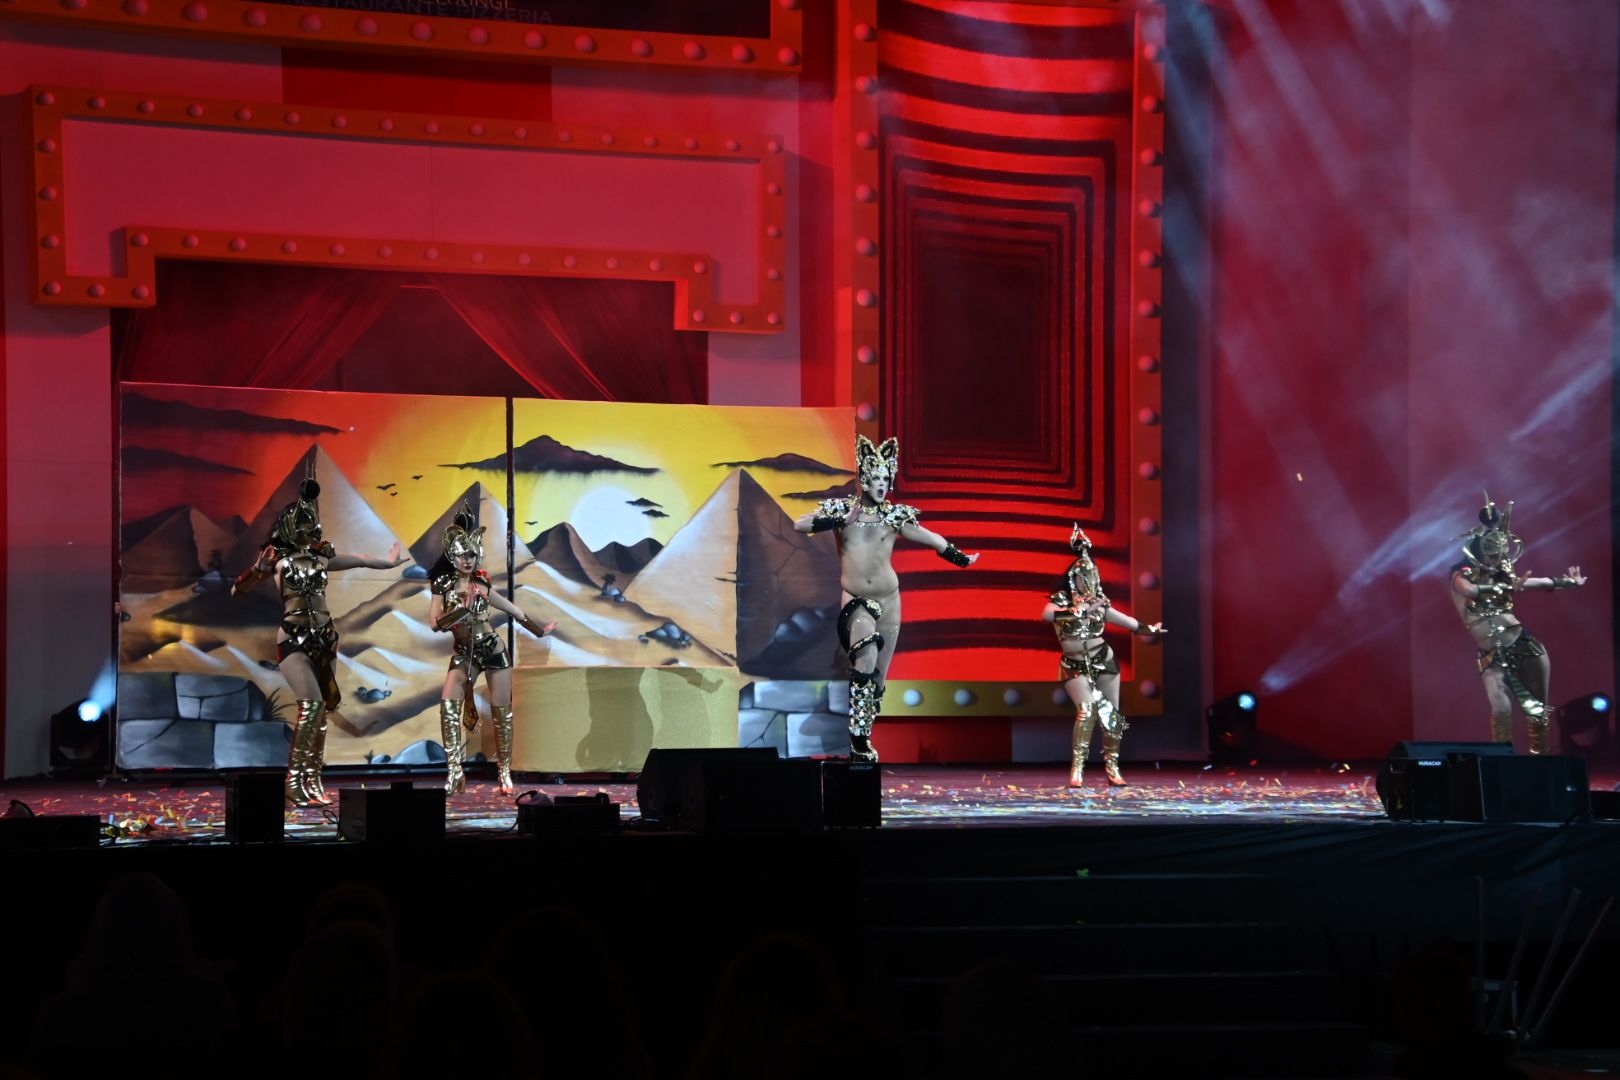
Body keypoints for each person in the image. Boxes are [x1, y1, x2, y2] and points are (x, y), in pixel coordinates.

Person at [794, 435, 979, 762]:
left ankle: (864, 736)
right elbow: (800, 524)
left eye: (885, 478)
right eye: (875, 478)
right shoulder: (844, 511)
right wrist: (836, 520)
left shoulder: (894, 517)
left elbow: (931, 538)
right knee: (865, 657)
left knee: (877, 680)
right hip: (857, 600)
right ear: (864, 479)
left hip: (890, 602)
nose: (881, 484)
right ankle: (857, 739)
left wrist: (960, 557)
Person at [233, 462, 407, 806]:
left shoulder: (322, 558)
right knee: (311, 706)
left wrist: (388, 563)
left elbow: (359, 559)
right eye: (302, 522)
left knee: (322, 711)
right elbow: (237, 591)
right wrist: (256, 569)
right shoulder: (277, 560)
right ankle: (294, 781)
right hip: (293, 638)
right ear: (288, 526)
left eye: (311, 521)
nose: (309, 527)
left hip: (325, 637)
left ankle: (313, 781)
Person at [429, 507, 557, 794]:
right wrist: (462, 609)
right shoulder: (442, 585)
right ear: (452, 556)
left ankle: (504, 771)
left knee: (502, 713)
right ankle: (454, 772)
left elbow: (513, 610)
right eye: (462, 555)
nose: (467, 560)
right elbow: (435, 624)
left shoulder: (482, 583)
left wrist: (539, 630)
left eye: (472, 555)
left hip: (492, 649)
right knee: (448, 707)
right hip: (464, 652)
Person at [1449, 493, 1584, 753]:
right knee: (1500, 707)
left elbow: (1538, 582)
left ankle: (1540, 764)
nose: (1496, 560)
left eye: (1500, 555)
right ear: (1479, 551)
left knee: (1536, 710)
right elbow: (1469, 590)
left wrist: (1569, 582)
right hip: (1490, 655)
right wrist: (1504, 587)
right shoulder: (1461, 574)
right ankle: (1503, 762)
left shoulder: (1503, 577)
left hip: (1523, 646)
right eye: (1492, 555)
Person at [1041, 524, 1164, 788]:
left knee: (1111, 716)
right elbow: (1047, 615)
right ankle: (1077, 770)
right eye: (1084, 576)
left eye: (1093, 575)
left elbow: (1128, 621)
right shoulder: (1061, 600)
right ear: (1074, 577)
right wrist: (1079, 611)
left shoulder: (1101, 604)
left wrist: (1149, 629)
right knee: (1086, 712)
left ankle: (1112, 768)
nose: (1089, 580)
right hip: (1075, 664)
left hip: (1103, 659)